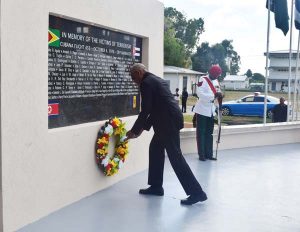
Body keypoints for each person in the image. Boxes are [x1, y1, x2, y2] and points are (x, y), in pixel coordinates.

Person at [126, 63, 207, 205]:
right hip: (167, 120)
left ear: (139, 72)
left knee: (176, 157)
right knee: (155, 149)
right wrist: (139, 130)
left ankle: (197, 193)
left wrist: (135, 131)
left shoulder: (146, 83)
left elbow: (146, 110)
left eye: (133, 78)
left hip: (167, 123)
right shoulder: (156, 80)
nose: (134, 81)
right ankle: (156, 186)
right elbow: (156, 108)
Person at [193, 64, 223, 161]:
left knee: (209, 133)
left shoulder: (216, 81)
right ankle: (201, 154)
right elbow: (200, 94)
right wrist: (213, 96)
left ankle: (209, 154)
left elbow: (218, 93)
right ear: (211, 73)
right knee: (201, 133)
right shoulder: (203, 79)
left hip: (211, 110)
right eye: (215, 75)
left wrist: (219, 102)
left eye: (217, 75)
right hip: (202, 109)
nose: (216, 77)